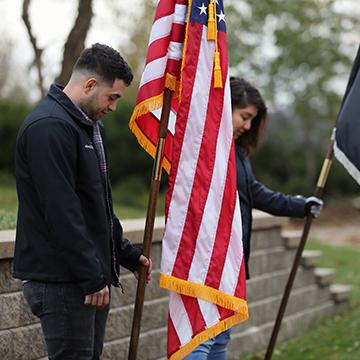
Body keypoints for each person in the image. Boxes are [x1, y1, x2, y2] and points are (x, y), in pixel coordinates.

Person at [13, 43, 152, 359]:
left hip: (82, 277)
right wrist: (91, 276)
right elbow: (61, 211)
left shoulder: (84, 127)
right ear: (90, 85)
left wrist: (126, 254)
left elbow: (96, 204)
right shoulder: (50, 127)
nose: (114, 106)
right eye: (112, 97)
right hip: (62, 280)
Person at [185, 77, 323, 359]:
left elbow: (255, 194)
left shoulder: (237, 153)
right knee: (201, 340)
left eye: (252, 120)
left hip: (232, 263)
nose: (247, 126)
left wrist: (300, 205)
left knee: (221, 338)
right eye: (244, 117)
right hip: (208, 262)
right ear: (226, 108)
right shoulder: (207, 148)